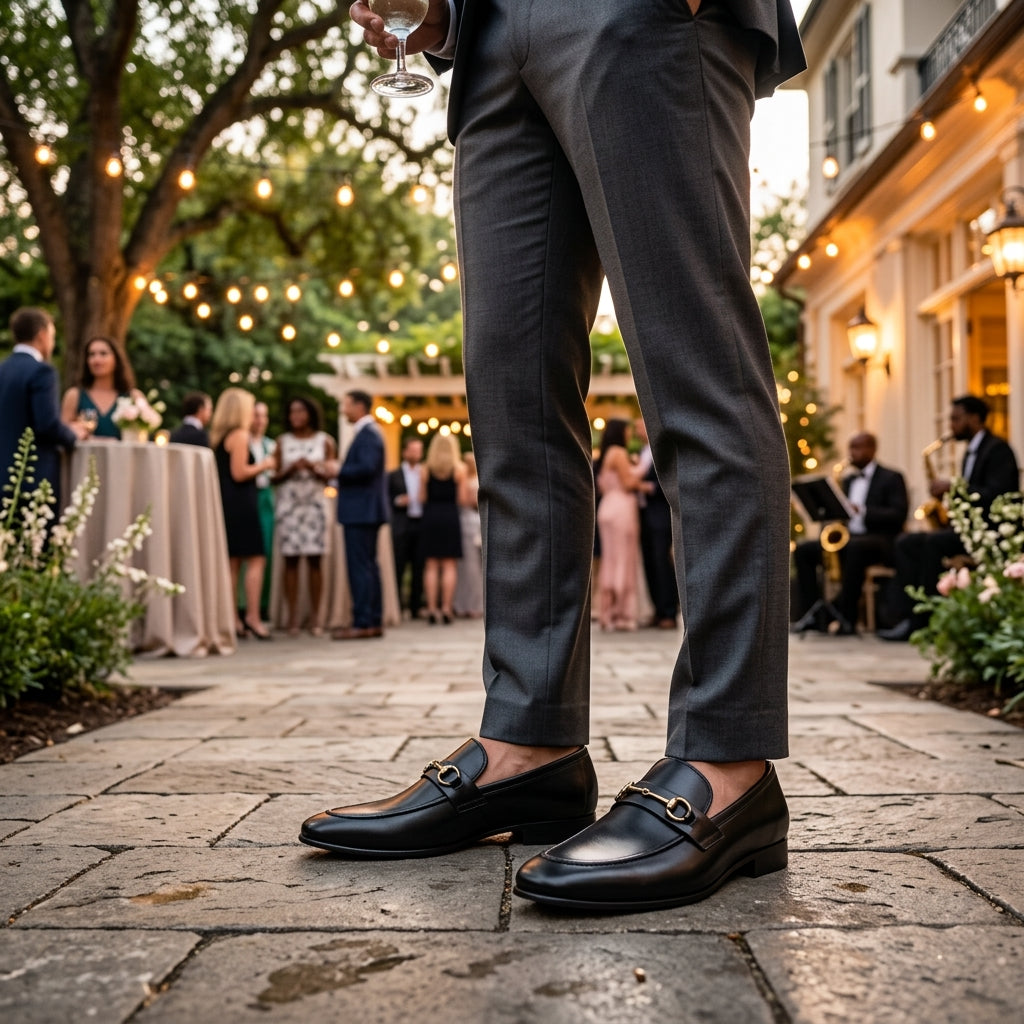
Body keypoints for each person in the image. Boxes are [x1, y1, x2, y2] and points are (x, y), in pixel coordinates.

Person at [302, 1, 805, 912]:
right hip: (489, 39)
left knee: (698, 372)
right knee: (512, 409)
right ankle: (528, 745)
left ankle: (729, 760)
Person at [879, 396, 1020, 641]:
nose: (951, 425)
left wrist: (954, 487)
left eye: (956, 419)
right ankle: (909, 615)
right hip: (968, 529)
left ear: (974, 418)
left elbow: (999, 493)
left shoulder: (998, 449)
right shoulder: (970, 452)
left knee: (933, 544)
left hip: (990, 532)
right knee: (906, 542)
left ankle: (927, 622)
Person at [793, 432, 908, 636]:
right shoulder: (848, 480)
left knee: (855, 549)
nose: (852, 453)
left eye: (858, 448)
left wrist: (862, 511)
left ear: (872, 449)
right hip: (850, 538)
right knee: (804, 550)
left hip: (881, 540)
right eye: (851, 448)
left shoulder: (891, 477)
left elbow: (898, 514)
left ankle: (848, 618)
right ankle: (813, 615)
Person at [0, 307, 87, 505]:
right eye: (53, 336)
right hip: (31, 480)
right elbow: (47, 425)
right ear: (42, 335)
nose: (52, 343)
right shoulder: (42, 372)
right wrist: (73, 434)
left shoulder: (2, 369)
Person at [210, 387, 276, 641]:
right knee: (256, 560)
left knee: (233, 563)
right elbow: (240, 472)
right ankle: (252, 617)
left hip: (228, 503)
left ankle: (233, 619)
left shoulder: (220, 436)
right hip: (242, 503)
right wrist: (265, 465)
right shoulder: (239, 436)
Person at [273, 397, 337, 637]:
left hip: (315, 507)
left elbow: (332, 476)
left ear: (310, 413)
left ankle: (316, 618)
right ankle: (292, 619)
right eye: (292, 411)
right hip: (290, 506)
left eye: (300, 411)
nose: (295, 416)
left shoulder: (325, 441)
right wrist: (290, 469)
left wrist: (312, 468)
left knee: (315, 561)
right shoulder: (282, 442)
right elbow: (272, 476)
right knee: (290, 561)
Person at [331, 390, 389, 641]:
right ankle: (371, 620)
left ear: (360, 406)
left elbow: (366, 468)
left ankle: (363, 621)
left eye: (346, 404)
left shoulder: (368, 434)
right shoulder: (369, 433)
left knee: (361, 568)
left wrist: (338, 470)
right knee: (367, 566)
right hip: (366, 510)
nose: (343, 410)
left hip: (361, 510)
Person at [594, 417, 643, 631]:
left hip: (606, 507)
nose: (630, 434)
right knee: (623, 560)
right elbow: (629, 482)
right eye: (627, 430)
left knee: (610, 560)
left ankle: (607, 613)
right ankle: (622, 614)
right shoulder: (620, 453)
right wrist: (644, 473)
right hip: (622, 508)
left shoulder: (605, 455)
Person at [634, 417, 679, 629]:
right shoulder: (642, 453)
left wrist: (645, 487)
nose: (636, 428)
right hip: (643, 515)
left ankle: (669, 611)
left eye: (639, 423)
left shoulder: (662, 451)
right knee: (649, 563)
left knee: (662, 563)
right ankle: (658, 610)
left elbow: (669, 483)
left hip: (660, 515)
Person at [419, 431, 467, 624]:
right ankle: (446, 608)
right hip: (449, 516)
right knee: (449, 565)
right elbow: (462, 499)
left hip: (430, 516)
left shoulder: (425, 469)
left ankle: (431, 608)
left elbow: (421, 498)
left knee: (431, 565)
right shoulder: (459, 469)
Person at [60, 335, 146, 440]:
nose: (96, 360)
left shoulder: (133, 396)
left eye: (103, 354)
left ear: (116, 359)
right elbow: (62, 435)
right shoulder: (74, 395)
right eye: (91, 354)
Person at [388, 436, 426, 620]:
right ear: (404, 452)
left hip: (421, 524)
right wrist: (398, 501)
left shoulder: (425, 473)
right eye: (413, 450)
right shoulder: (393, 475)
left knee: (419, 567)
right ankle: (397, 606)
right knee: (399, 565)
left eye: (419, 450)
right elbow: (387, 499)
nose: (416, 453)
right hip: (402, 524)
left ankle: (415, 607)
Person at [250, 400, 276, 621]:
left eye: (263, 416)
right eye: (256, 415)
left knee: (265, 551)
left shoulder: (271, 445)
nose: (260, 421)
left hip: (267, 501)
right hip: (248, 500)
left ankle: (263, 604)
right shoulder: (242, 442)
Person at [453, 450, 483, 618]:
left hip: (469, 524)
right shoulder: (474, 481)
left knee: (469, 568)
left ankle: (469, 604)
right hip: (470, 522)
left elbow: (467, 502)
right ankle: (469, 604)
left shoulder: (468, 482)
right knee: (469, 568)